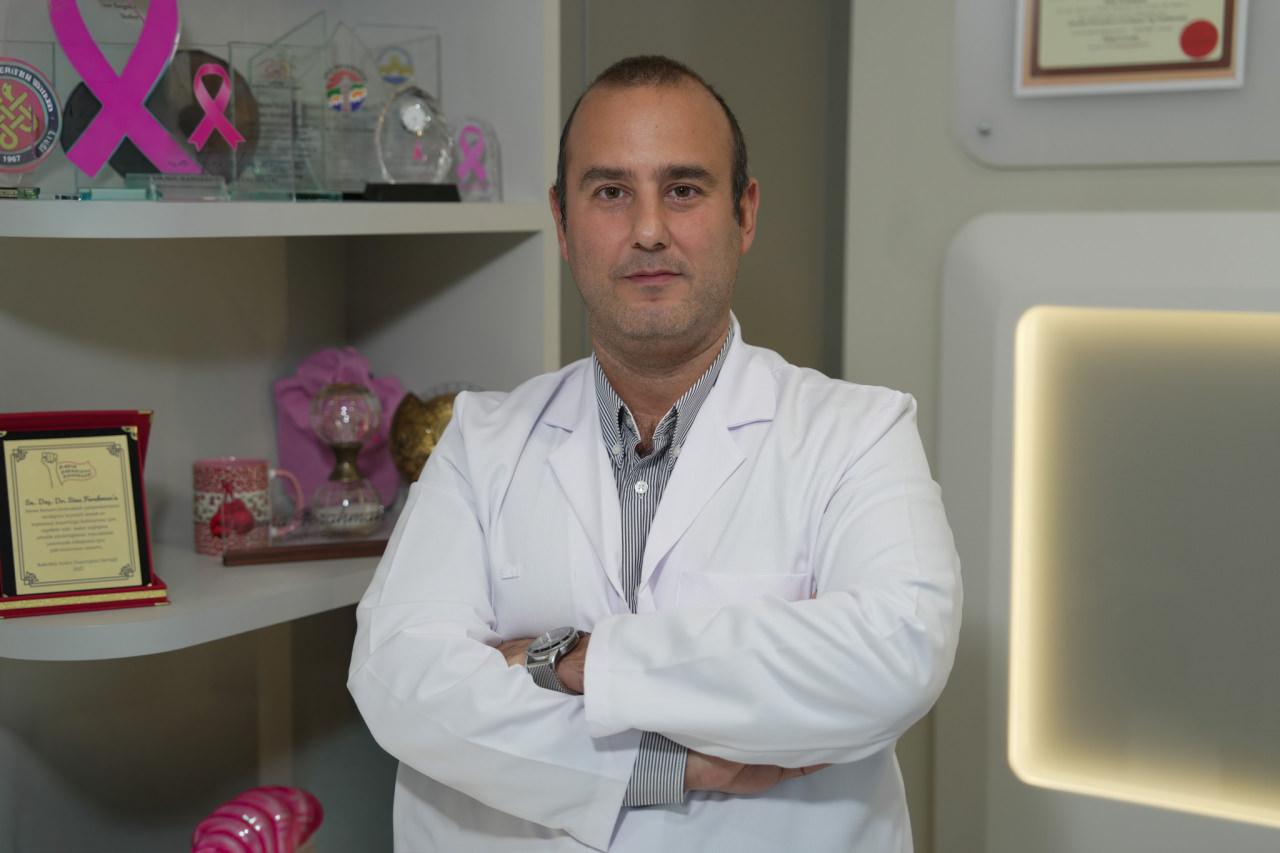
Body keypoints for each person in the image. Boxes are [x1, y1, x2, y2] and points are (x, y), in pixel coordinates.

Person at [349, 55, 962, 852]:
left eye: (683, 190)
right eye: (610, 192)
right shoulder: (481, 440)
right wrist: (662, 763)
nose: (647, 230)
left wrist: (570, 658)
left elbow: (893, 655)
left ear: (745, 214)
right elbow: (398, 679)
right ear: (562, 223)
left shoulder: (858, 433)